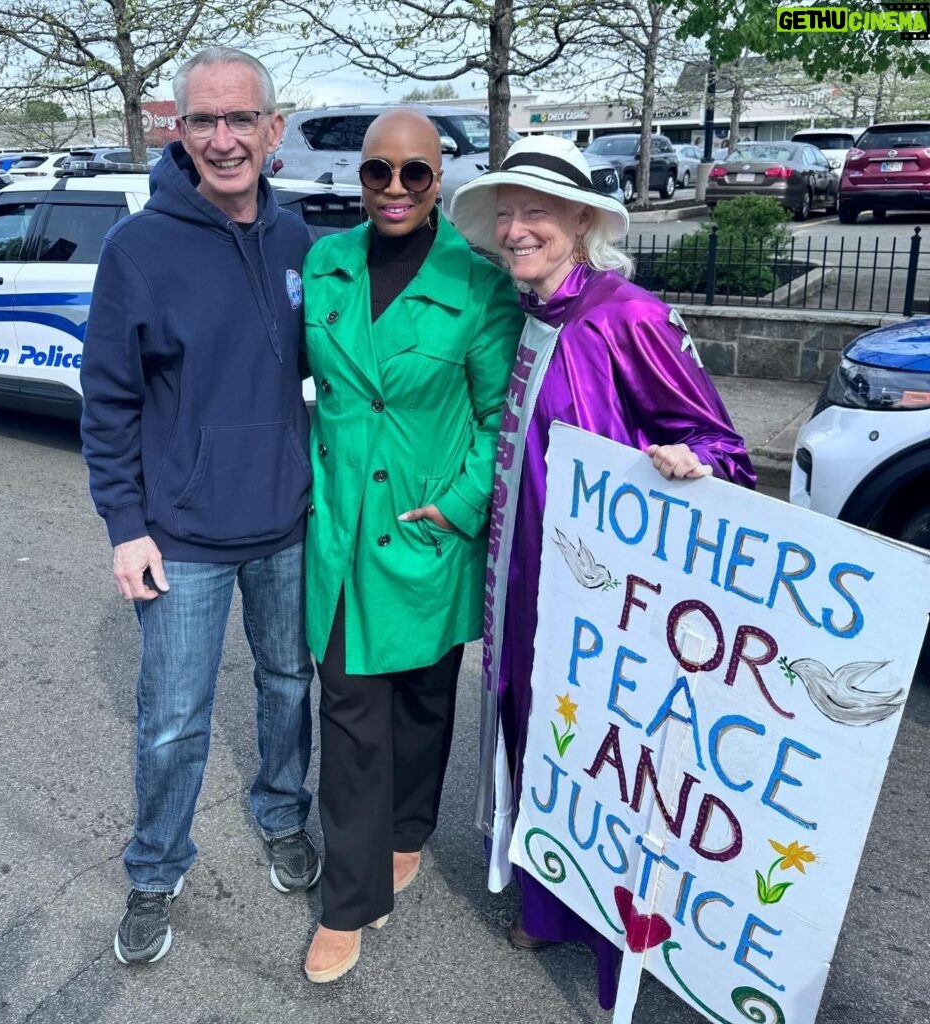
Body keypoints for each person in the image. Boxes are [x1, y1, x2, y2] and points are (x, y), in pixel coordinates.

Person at [450, 135, 757, 1009]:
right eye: (506, 212)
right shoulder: (528, 314)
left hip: (608, 602)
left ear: (583, 221)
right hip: (524, 584)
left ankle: (617, 941)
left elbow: (722, 448)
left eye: (535, 211)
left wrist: (685, 461)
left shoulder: (628, 315)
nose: (516, 229)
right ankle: (549, 904)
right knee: (536, 734)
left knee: (609, 759)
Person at [80, 46, 319, 967]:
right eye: (202, 120)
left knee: (289, 684)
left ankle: (282, 813)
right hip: (179, 536)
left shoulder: (300, 240)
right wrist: (125, 526)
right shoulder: (137, 250)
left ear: (273, 127)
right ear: (176, 128)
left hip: (287, 526)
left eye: (240, 119)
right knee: (174, 716)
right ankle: (154, 867)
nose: (223, 139)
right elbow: (108, 401)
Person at [300, 108, 524, 984]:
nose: (394, 190)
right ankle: (351, 902)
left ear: (442, 179)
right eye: (377, 173)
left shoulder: (478, 282)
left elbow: (497, 412)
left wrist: (462, 506)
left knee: (425, 700)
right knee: (351, 710)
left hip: (429, 532)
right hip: (343, 534)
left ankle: (408, 829)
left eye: (415, 174)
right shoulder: (323, 263)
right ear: (358, 177)